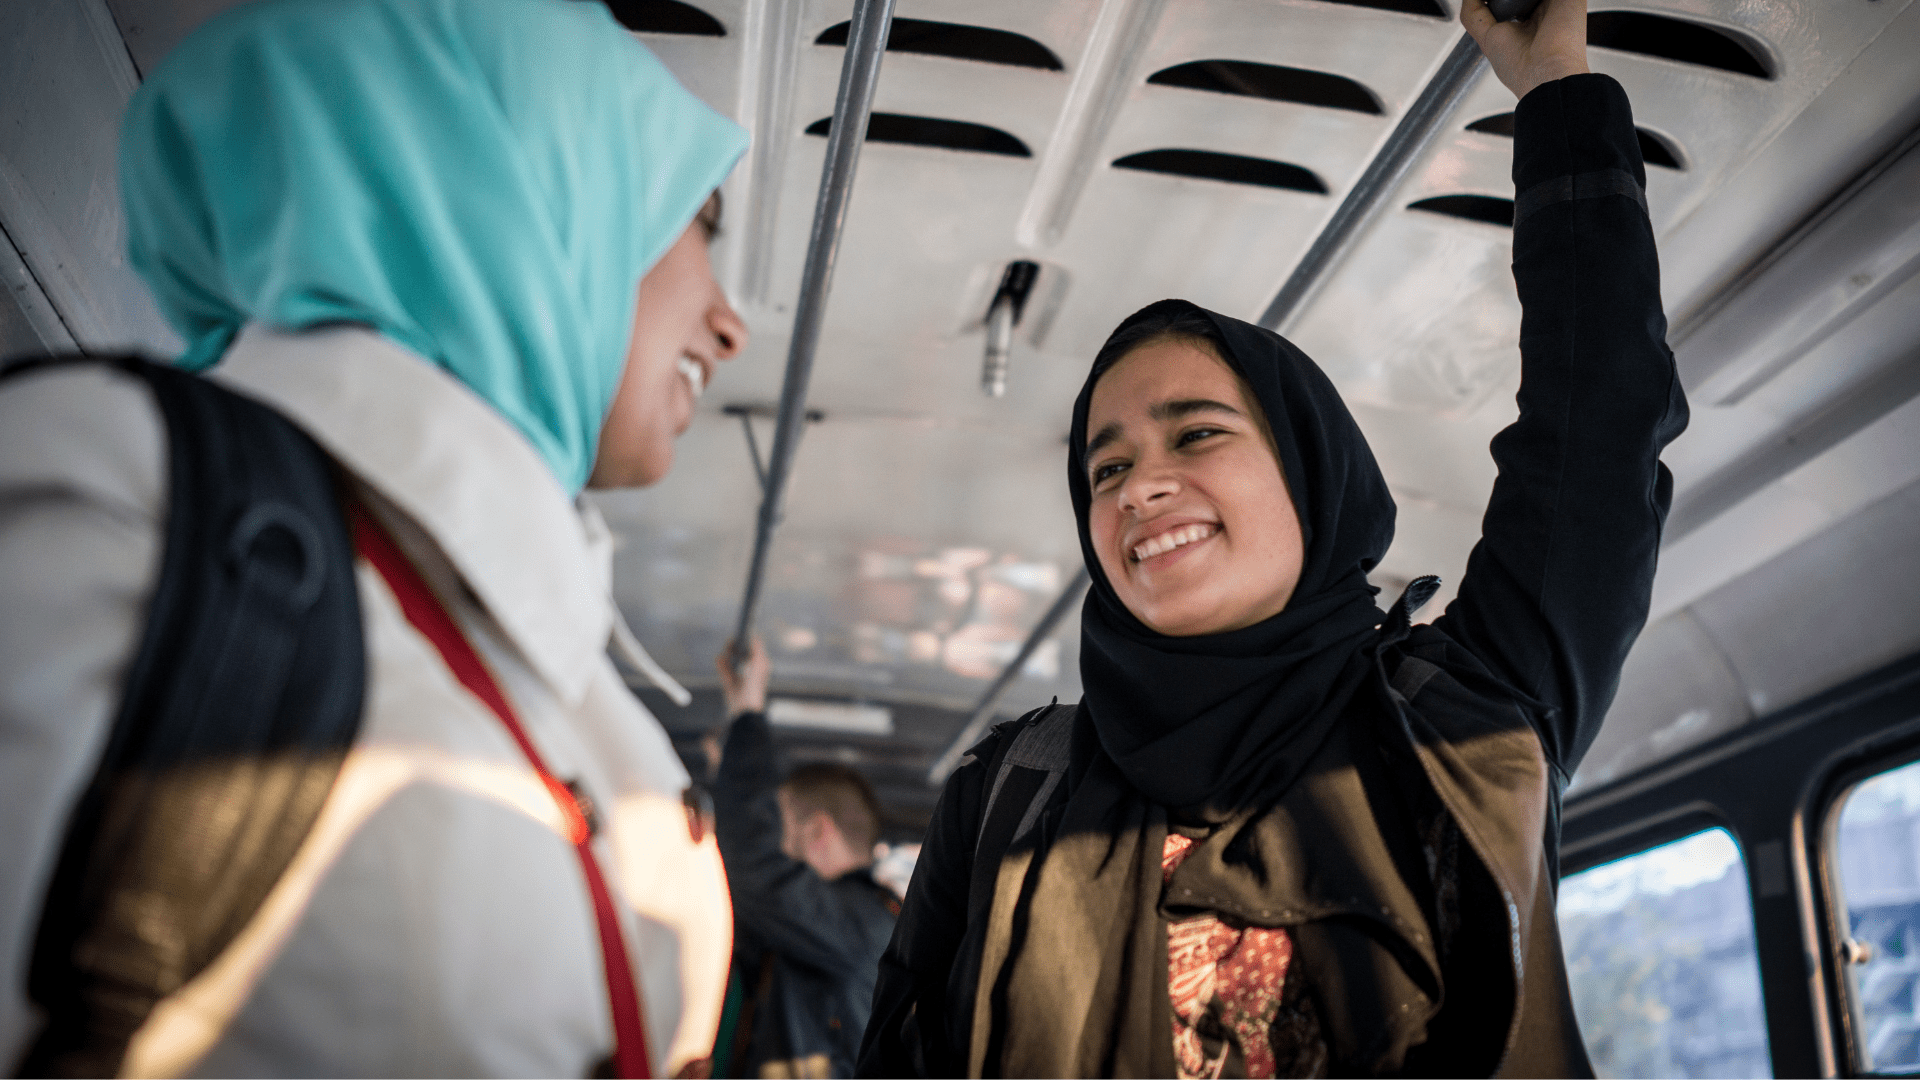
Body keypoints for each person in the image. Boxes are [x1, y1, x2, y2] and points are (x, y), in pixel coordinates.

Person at [858, 0, 1688, 1074]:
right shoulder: (1008, 790)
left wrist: (1557, 92)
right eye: (1104, 468)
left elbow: (1600, 432)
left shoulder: (1472, 713)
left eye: (1195, 434)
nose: (1140, 485)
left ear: (1312, 477)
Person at [1, 0, 752, 1074]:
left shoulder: (537, 649)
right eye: (697, 221)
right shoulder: (123, 503)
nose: (732, 323)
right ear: (526, 197)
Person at [709, 639, 899, 1078]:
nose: (772, 845)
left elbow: (753, 868)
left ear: (817, 832)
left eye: (780, 831)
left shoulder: (866, 928)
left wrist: (748, 711)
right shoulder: (835, 929)